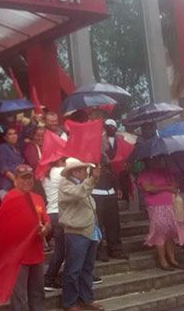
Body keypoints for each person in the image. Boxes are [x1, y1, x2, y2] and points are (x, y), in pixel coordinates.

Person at [137, 155, 184, 270]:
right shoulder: (145, 173)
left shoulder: (167, 171)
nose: (158, 161)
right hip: (156, 206)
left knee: (170, 232)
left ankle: (172, 259)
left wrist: (171, 187)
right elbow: (148, 188)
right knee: (160, 231)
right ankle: (162, 260)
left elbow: (175, 185)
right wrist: (166, 188)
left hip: (170, 204)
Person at [58, 158, 103, 311]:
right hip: (76, 232)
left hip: (89, 230)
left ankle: (86, 299)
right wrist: (93, 179)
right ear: (74, 171)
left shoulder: (82, 185)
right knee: (73, 269)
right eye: (83, 169)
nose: (85, 172)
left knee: (87, 268)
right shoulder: (66, 185)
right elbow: (78, 194)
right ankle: (70, 302)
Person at [10, 165, 51, 311]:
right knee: (20, 297)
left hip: (37, 254)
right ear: (15, 180)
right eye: (23, 178)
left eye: (29, 177)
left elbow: (47, 221)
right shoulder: (10, 198)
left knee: (38, 294)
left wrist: (46, 228)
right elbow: (7, 228)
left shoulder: (38, 198)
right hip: (19, 256)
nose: (27, 181)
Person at [94, 119, 128, 261]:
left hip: (110, 192)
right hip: (97, 193)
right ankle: (98, 250)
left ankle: (115, 248)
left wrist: (118, 187)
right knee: (98, 224)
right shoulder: (93, 155)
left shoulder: (110, 155)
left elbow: (113, 172)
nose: (106, 143)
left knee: (113, 223)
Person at [43, 158, 66, 291]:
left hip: (51, 212)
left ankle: (52, 277)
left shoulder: (46, 174)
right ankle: (49, 278)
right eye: (63, 160)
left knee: (60, 248)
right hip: (60, 213)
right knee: (60, 249)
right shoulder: (60, 172)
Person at [0, 126, 24, 199]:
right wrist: (16, 181)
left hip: (16, 187)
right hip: (6, 187)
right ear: (5, 138)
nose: (13, 136)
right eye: (10, 134)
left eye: (15, 133)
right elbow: (4, 168)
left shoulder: (17, 150)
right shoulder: (2, 148)